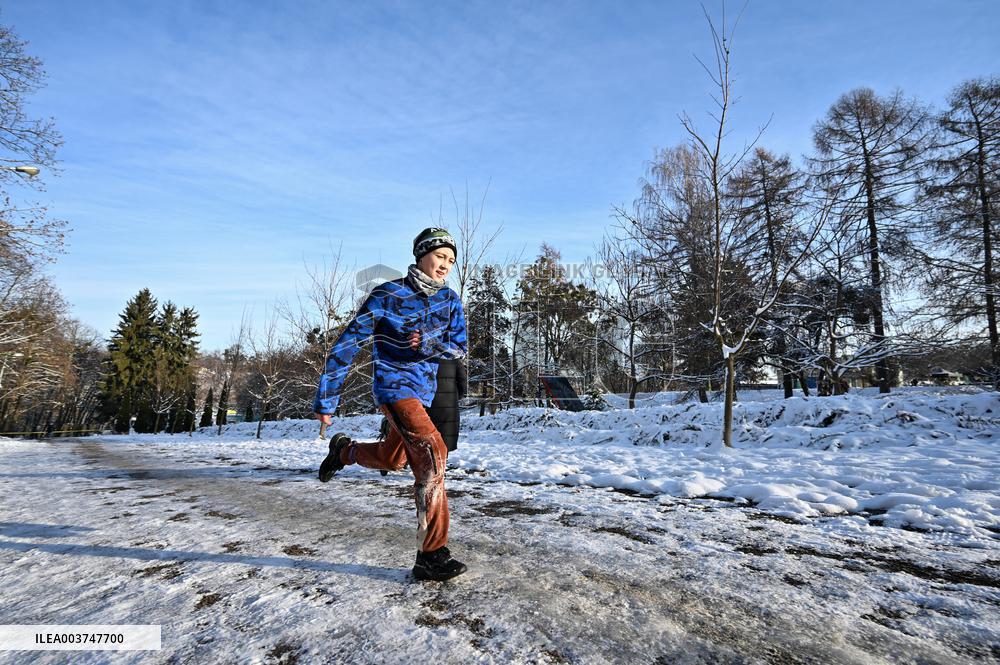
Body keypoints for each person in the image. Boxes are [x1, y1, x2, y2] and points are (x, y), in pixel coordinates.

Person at [313, 227, 468, 582]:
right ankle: (431, 554)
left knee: (392, 458)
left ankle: (345, 452)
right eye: (440, 256)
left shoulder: (450, 300)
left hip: (423, 392)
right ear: (421, 255)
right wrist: (327, 398)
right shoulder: (387, 294)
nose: (445, 265)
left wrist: (427, 342)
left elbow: (458, 347)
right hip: (393, 386)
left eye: (451, 261)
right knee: (432, 451)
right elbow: (346, 344)